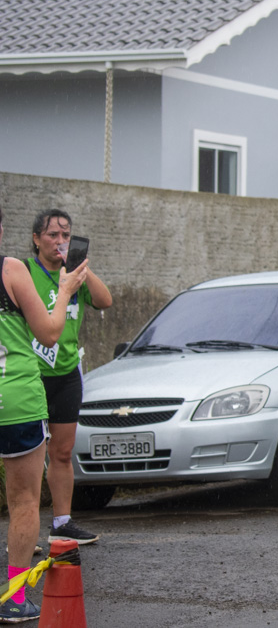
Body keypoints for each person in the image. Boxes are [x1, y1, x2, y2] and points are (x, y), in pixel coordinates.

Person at [1, 204, 88, 623]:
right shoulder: (12, 270)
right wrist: (67, 289)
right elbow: (50, 332)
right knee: (23, 502)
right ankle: (15, 599)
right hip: (15, 397)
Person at [27, 209, 112, 545]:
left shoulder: (74, 275)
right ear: (36, 239)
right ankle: (24, 532)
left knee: (62, 452)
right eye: (52, 235)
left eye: (66, 235)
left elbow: (105, 300)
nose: (60, 241)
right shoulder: (25, 272)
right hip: (31, 374)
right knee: (29, 456)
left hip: (65, 373)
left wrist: (81, 270)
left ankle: (62, 523)